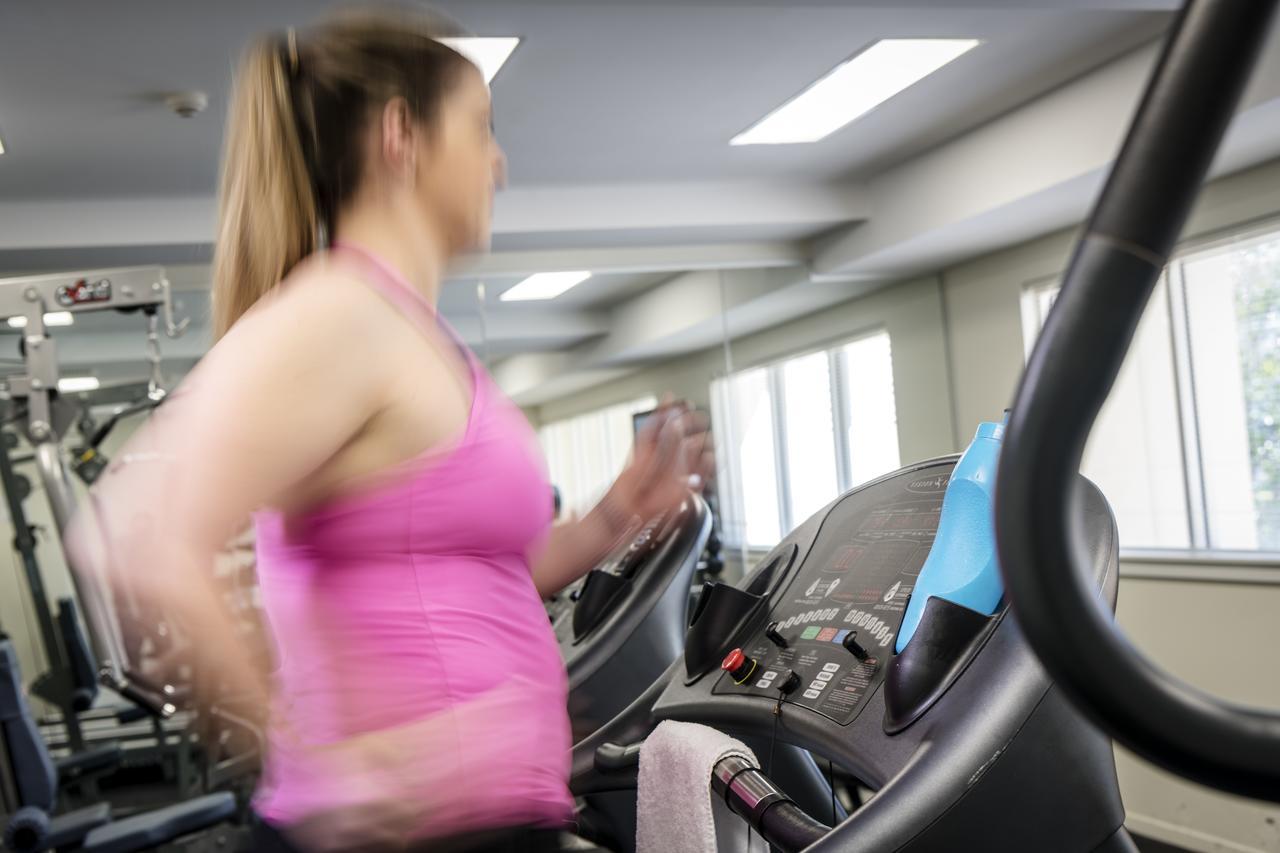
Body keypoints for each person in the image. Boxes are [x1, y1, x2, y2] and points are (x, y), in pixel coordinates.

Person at [65, 6, 712, 851]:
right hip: (413, 833)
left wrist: (611, 517)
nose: (500, 162)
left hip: (494, 817)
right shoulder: (342, 313)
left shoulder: (415, 337)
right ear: (402, 133)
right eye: (480, 128)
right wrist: (307, 756)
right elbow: (134, 534)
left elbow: (484, 569)